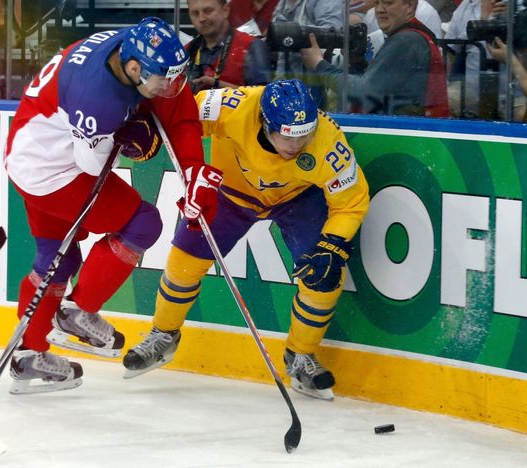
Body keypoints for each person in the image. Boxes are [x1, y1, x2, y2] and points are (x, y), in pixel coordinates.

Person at [5, 17, 222, 394]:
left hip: (28, 152)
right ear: (135, 68)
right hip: (55, 173)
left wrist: (193, 168)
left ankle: (28, 355)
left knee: (57, 259)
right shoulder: (99, 99)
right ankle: (77, 310)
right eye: (161, 80)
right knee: (143, 224)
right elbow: (92, 166)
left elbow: (175, 103)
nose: (168, 87)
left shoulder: (129, 47)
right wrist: (126, 136)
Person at [122, 79, 370, 401]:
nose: (298, 146)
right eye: (288, 136)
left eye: (306, 135)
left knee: (324, 278)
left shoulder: (327, 143)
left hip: (297, 198)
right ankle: (163, 335)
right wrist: (147, 121)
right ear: (265, 123)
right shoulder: (233, 105)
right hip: (230, 193)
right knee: (184, 261)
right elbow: (181, 114)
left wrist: (333, 246)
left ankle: (300, 356)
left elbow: (351, 202)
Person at [301, 0, 449, 117]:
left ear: (410, 6)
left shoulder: (407, 40)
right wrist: (357, 63)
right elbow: (381, 90)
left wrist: (318, 64)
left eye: (388, 3)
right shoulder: (408, 36)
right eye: (377, 3)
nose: (380, 10)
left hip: (410, 138)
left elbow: (365, 92)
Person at [186, 0, 271, 93]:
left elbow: (263, 97)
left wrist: (216, 84)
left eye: (208, 11)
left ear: (226, 11)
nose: (201, 18)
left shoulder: (252, 46)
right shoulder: (186, 51)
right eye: (195, 13)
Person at [271, 0, 344, 108]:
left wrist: (292, 33)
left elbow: (332, 34)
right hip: (293, 82)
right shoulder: (283, 3)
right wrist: (279, 84)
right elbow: (284, 44)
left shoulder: (326, 2)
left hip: (321, 81)